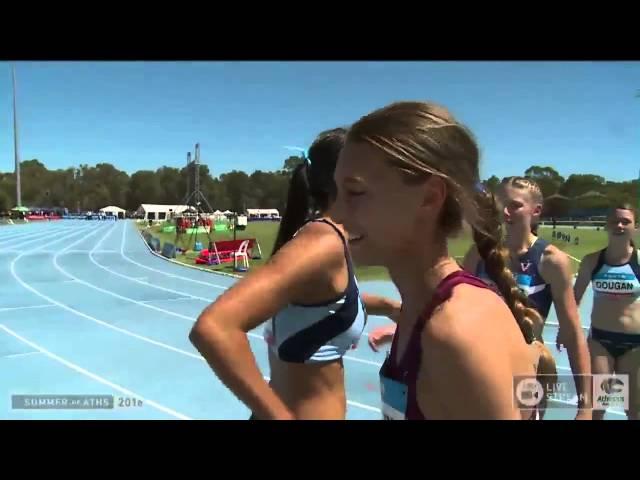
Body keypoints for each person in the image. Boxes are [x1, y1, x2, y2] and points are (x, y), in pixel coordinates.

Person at [333, 101, 556, 420]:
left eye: (354, 192)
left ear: (429, 198)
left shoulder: (456, 331)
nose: (334, 214)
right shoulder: (423, 308)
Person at [189, 127, 400, 420]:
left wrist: (389, 307)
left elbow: (327, 306)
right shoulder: (323, 244)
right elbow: (214, 329)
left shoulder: (330, 239)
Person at [459, 176, 591, 419]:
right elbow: (456, 307)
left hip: (527, 372)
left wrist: (586, 407)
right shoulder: (479, 254)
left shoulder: (551, 261)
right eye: (500, 204)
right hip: (479, 368)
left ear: (536, 210)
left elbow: (573, 334)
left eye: (515, 205)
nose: (505, 211)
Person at [573, 204, 640, 420]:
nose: (619, 225)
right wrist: (566, 330)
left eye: (625, 221)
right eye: (614, 221)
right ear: (606, 225)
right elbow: (573, 299)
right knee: (596, 406)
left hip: (635, 345)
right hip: (600, 342)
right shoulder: (592, 261)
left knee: (634, 409)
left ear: (635, 226)